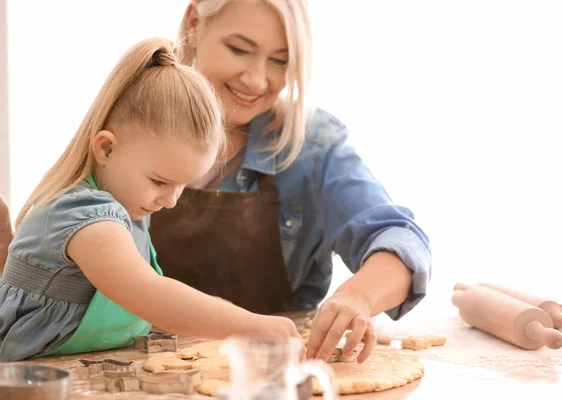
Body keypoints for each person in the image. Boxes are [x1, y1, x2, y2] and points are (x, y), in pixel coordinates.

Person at [146, 0, 433, 364]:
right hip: (143, 368)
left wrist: (358, 297)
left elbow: (399, 239)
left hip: (274, 372)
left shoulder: (313, 148)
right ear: (194, 24)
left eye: (280, 60)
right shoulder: (136, 119)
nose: (256, 79)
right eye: (239, 49)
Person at [0, 37, 301, 362]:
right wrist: (247, 325)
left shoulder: (130, 212)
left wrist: (236, 318)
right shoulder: (82, 217)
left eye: (183, 185)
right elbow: (150, 294)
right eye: (160, 181)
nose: (171, 201)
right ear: (106, 149)